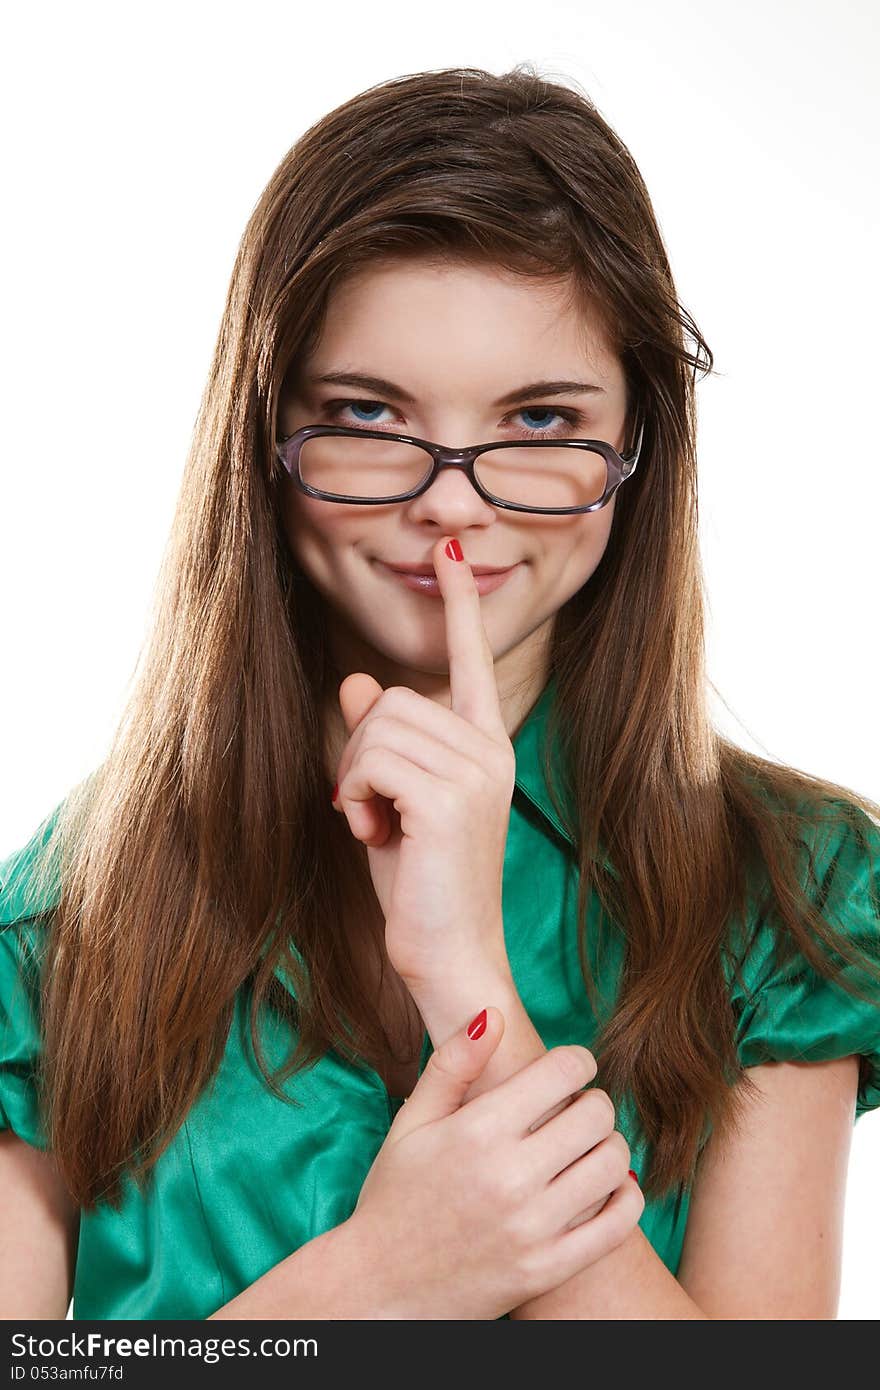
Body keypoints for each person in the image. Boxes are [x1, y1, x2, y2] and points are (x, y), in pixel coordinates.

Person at [2, 64, 879, 1322]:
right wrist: (380, 1281)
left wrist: (466, 975)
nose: (452, 502)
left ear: (636, 450)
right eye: (367, 412)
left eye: (538, 418)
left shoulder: (787, 889)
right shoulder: (63, 915)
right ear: (263, 437)